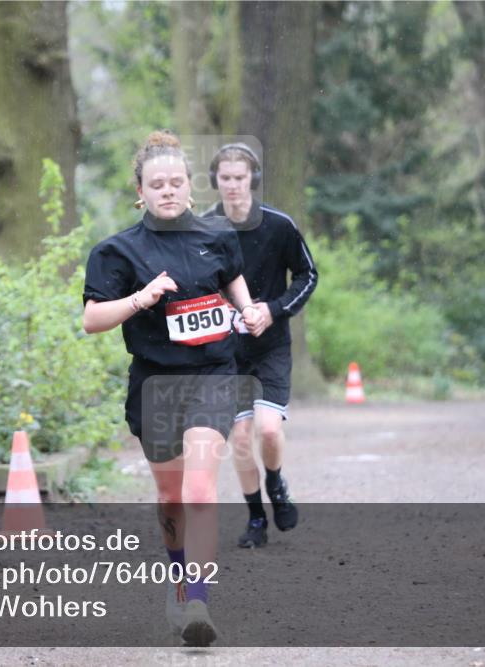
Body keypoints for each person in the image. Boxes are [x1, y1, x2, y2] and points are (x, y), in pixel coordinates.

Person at [82, 131, 263, 646]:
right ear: (140, 190)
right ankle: (180, 576)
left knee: (200, 489)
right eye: (156, 184)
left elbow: (232, 279)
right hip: (155, 382)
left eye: (176, 182)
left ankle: (199, 600)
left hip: (212, 373)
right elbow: (92, 319)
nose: (167, 190)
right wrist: (141, 298)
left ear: (189, 186)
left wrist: (247, 309)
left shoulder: (218, 234)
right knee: (169, 494)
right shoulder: (117, 250)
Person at [205, 143, 318, 548]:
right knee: (239, 437)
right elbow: (194, 283)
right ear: (215, 180)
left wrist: (272, 310)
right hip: (227, 351)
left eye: (239, 178)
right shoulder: (204, 228)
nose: (232, 185)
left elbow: (307, 275)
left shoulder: (279, 225)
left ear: (252, 179)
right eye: (225, 178)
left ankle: (275, 482)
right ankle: (255, 518)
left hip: (270, 344)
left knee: (268, 431)